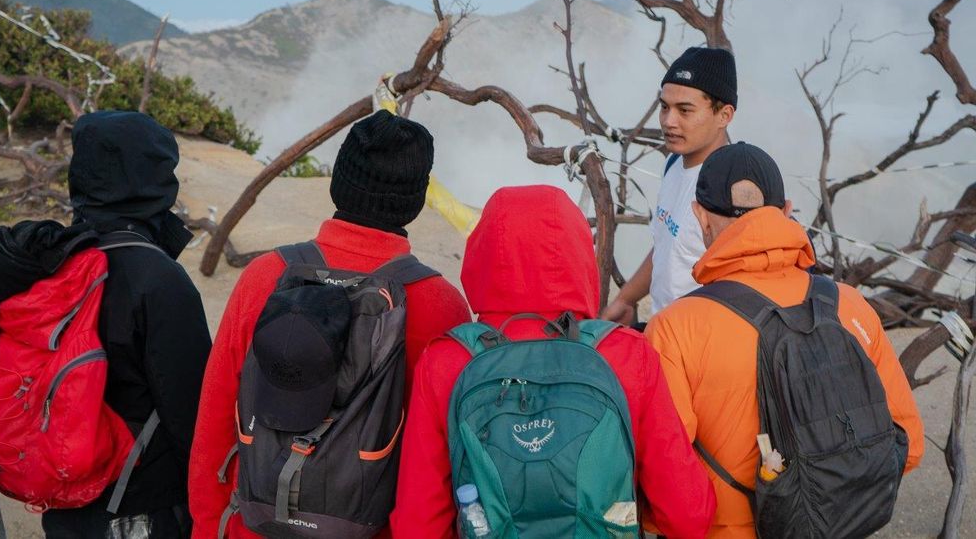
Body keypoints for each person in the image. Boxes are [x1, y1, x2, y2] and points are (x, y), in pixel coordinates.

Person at [189, 110, 471, 538]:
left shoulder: (265, 277)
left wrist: (209, 527)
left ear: (338, 180)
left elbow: (213, 420)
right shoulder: (440, 304)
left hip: (256, 525)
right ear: (416, 200)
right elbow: (435, 463)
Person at [390, 185, 716, 539]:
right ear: (580, 253)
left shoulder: (446, 361)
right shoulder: (624, 354)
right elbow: (689, 516)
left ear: (480, 255)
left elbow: (416, 526)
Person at [645, 142, 924, 538]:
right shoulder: (850, 304)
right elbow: (908, 444)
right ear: (787, 211)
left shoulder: (675, 328)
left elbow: (670, 489)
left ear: (699, 215)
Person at [0, 111, 212, 538]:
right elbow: (194, 416)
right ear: (153, 179)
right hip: (142, 507)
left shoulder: (49, 258)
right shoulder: (158, 280)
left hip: (65, 498)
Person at [604, 46, 736, 324]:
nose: (668, 121)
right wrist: (625, 299)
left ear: (724, 115)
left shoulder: (733, 189)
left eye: (684, 110)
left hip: (697, 342)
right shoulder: (674, 164)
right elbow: (667, 247)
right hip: (661, 333)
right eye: (664, 107)